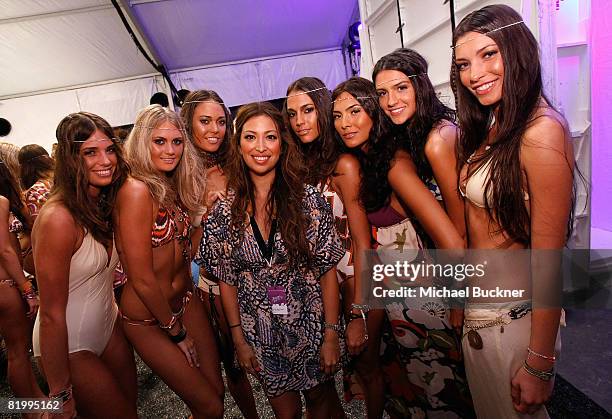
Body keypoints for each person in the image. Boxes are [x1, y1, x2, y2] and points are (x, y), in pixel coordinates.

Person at [451, 5, 573, 418]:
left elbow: (549, 260)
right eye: (464, 64)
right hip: (483, 313)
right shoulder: (497, 123)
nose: (474, 74)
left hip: (512, 320)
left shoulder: (541, 132)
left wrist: (539, 362)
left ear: (517, 50)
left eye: (489, 54)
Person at [333, 77, 473, 418]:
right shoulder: (371, 158)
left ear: (374, 112)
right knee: (422, 387)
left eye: (355, 111)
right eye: (337, 116)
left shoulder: (395, 164)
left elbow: (450, 239)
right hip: (402, 293)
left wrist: (458, 299)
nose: (345, 123)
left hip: (426, 294)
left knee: (443, 389)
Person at [198, 102, 345, 419]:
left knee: (320, 402)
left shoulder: (308, 200)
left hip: (310, 324)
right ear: (238, 146)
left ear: (282, 143)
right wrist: (239, 340)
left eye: (270, 137)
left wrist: (331, 333)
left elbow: (327, 270)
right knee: (286, 415)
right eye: (250, 137)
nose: (260, 147)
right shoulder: (225, 212)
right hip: (259, 332)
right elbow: (226, 280)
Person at [115, 104, 223, 419]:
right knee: (210, 406)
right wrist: (175, 332)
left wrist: (207, 220)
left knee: (216, 393)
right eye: (160, 142)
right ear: (142, 143)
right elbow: (142, 278)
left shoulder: (170, 185)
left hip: (183, 301)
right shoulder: (136, 191)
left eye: (176, 142)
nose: (170, 150)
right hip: (149, 318)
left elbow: (184, 248)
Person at [284, 77, 382, 415]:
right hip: (319, 287)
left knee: (368, 369)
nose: (300, 121)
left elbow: (361, 240)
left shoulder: (345, 165)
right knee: (323, 376)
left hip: (355, 280)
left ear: (324, 111)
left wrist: (358, 311)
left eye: (308, 110)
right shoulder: (297, 168)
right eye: (292, 113)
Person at [32, 112, 137, 418]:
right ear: (70, 158)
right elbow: (50, 314)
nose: (106, 160)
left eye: (109, 149)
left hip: (109, 325)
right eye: (90, 152)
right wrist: (60, 391)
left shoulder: (102, 202)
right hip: (69, 345)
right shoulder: (58, 218)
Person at [181, 89, 259, 419]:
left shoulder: (237, 163)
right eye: (204, 121)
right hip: (203, 281)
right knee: (221, 364)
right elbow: (179, 244)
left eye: (220, 121)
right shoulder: (178, 173)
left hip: (248, 272)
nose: (214, 129)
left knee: (251, 355)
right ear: (188, 124)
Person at [0, 159, 43, 418]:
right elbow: (5, 250)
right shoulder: (1, 202)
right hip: (7, 284)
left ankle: (37, 401)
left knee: (17, 351)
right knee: (18, 352)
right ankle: (32, 411)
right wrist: (27, 289)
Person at [17, 144, 54, 274]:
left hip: (56, 254)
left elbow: (42, 232)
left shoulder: (34, 192)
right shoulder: (61, 181)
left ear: (24, 168)